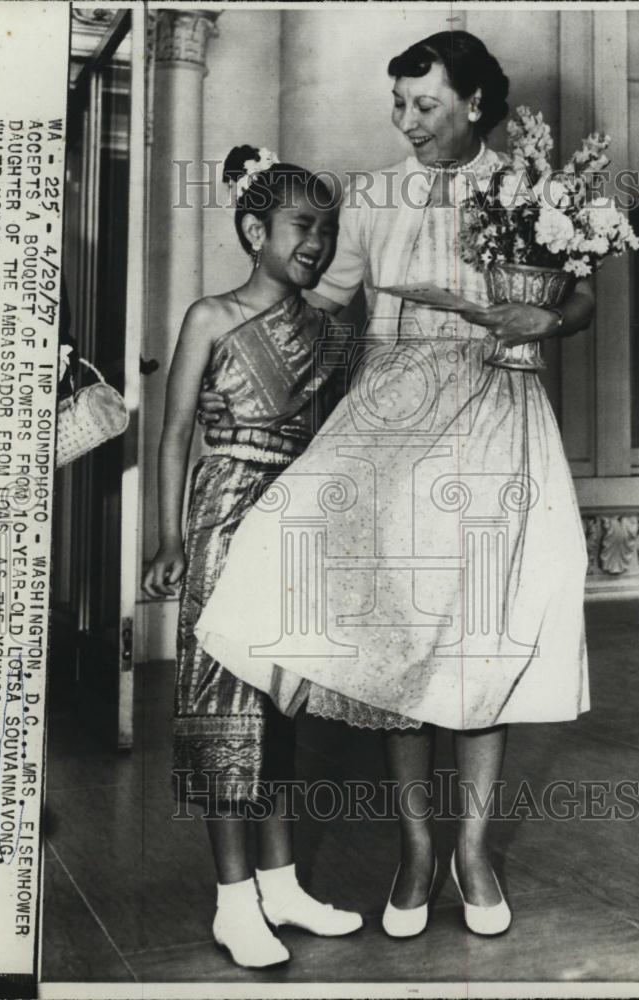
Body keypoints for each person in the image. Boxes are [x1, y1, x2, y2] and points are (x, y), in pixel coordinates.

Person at [195, 31, 595, 940]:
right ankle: (417, 849)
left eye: (425, 105)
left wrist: (551, 315)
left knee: (480, 639)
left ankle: (475, 852)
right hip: (392, 423)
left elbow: (579, 300)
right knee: (400, 633)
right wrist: (228, 334)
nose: (407, 122)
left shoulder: (529, 187)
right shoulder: (370, 196)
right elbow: (324, 307)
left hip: (500, 415)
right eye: (400, 106)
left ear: (475, 106)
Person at [141, 146, 362, 970]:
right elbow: (172, 437)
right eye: (303, 224)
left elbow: (338, 444)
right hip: (223, 515)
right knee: (222, 706)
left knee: (279, 706)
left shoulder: (331, 333)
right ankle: (234, 903)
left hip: (292, 522)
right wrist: (168, 538)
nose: (318, 240)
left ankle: (281, 884)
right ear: (252, 229)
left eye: (328, 228)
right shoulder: (209, 316)